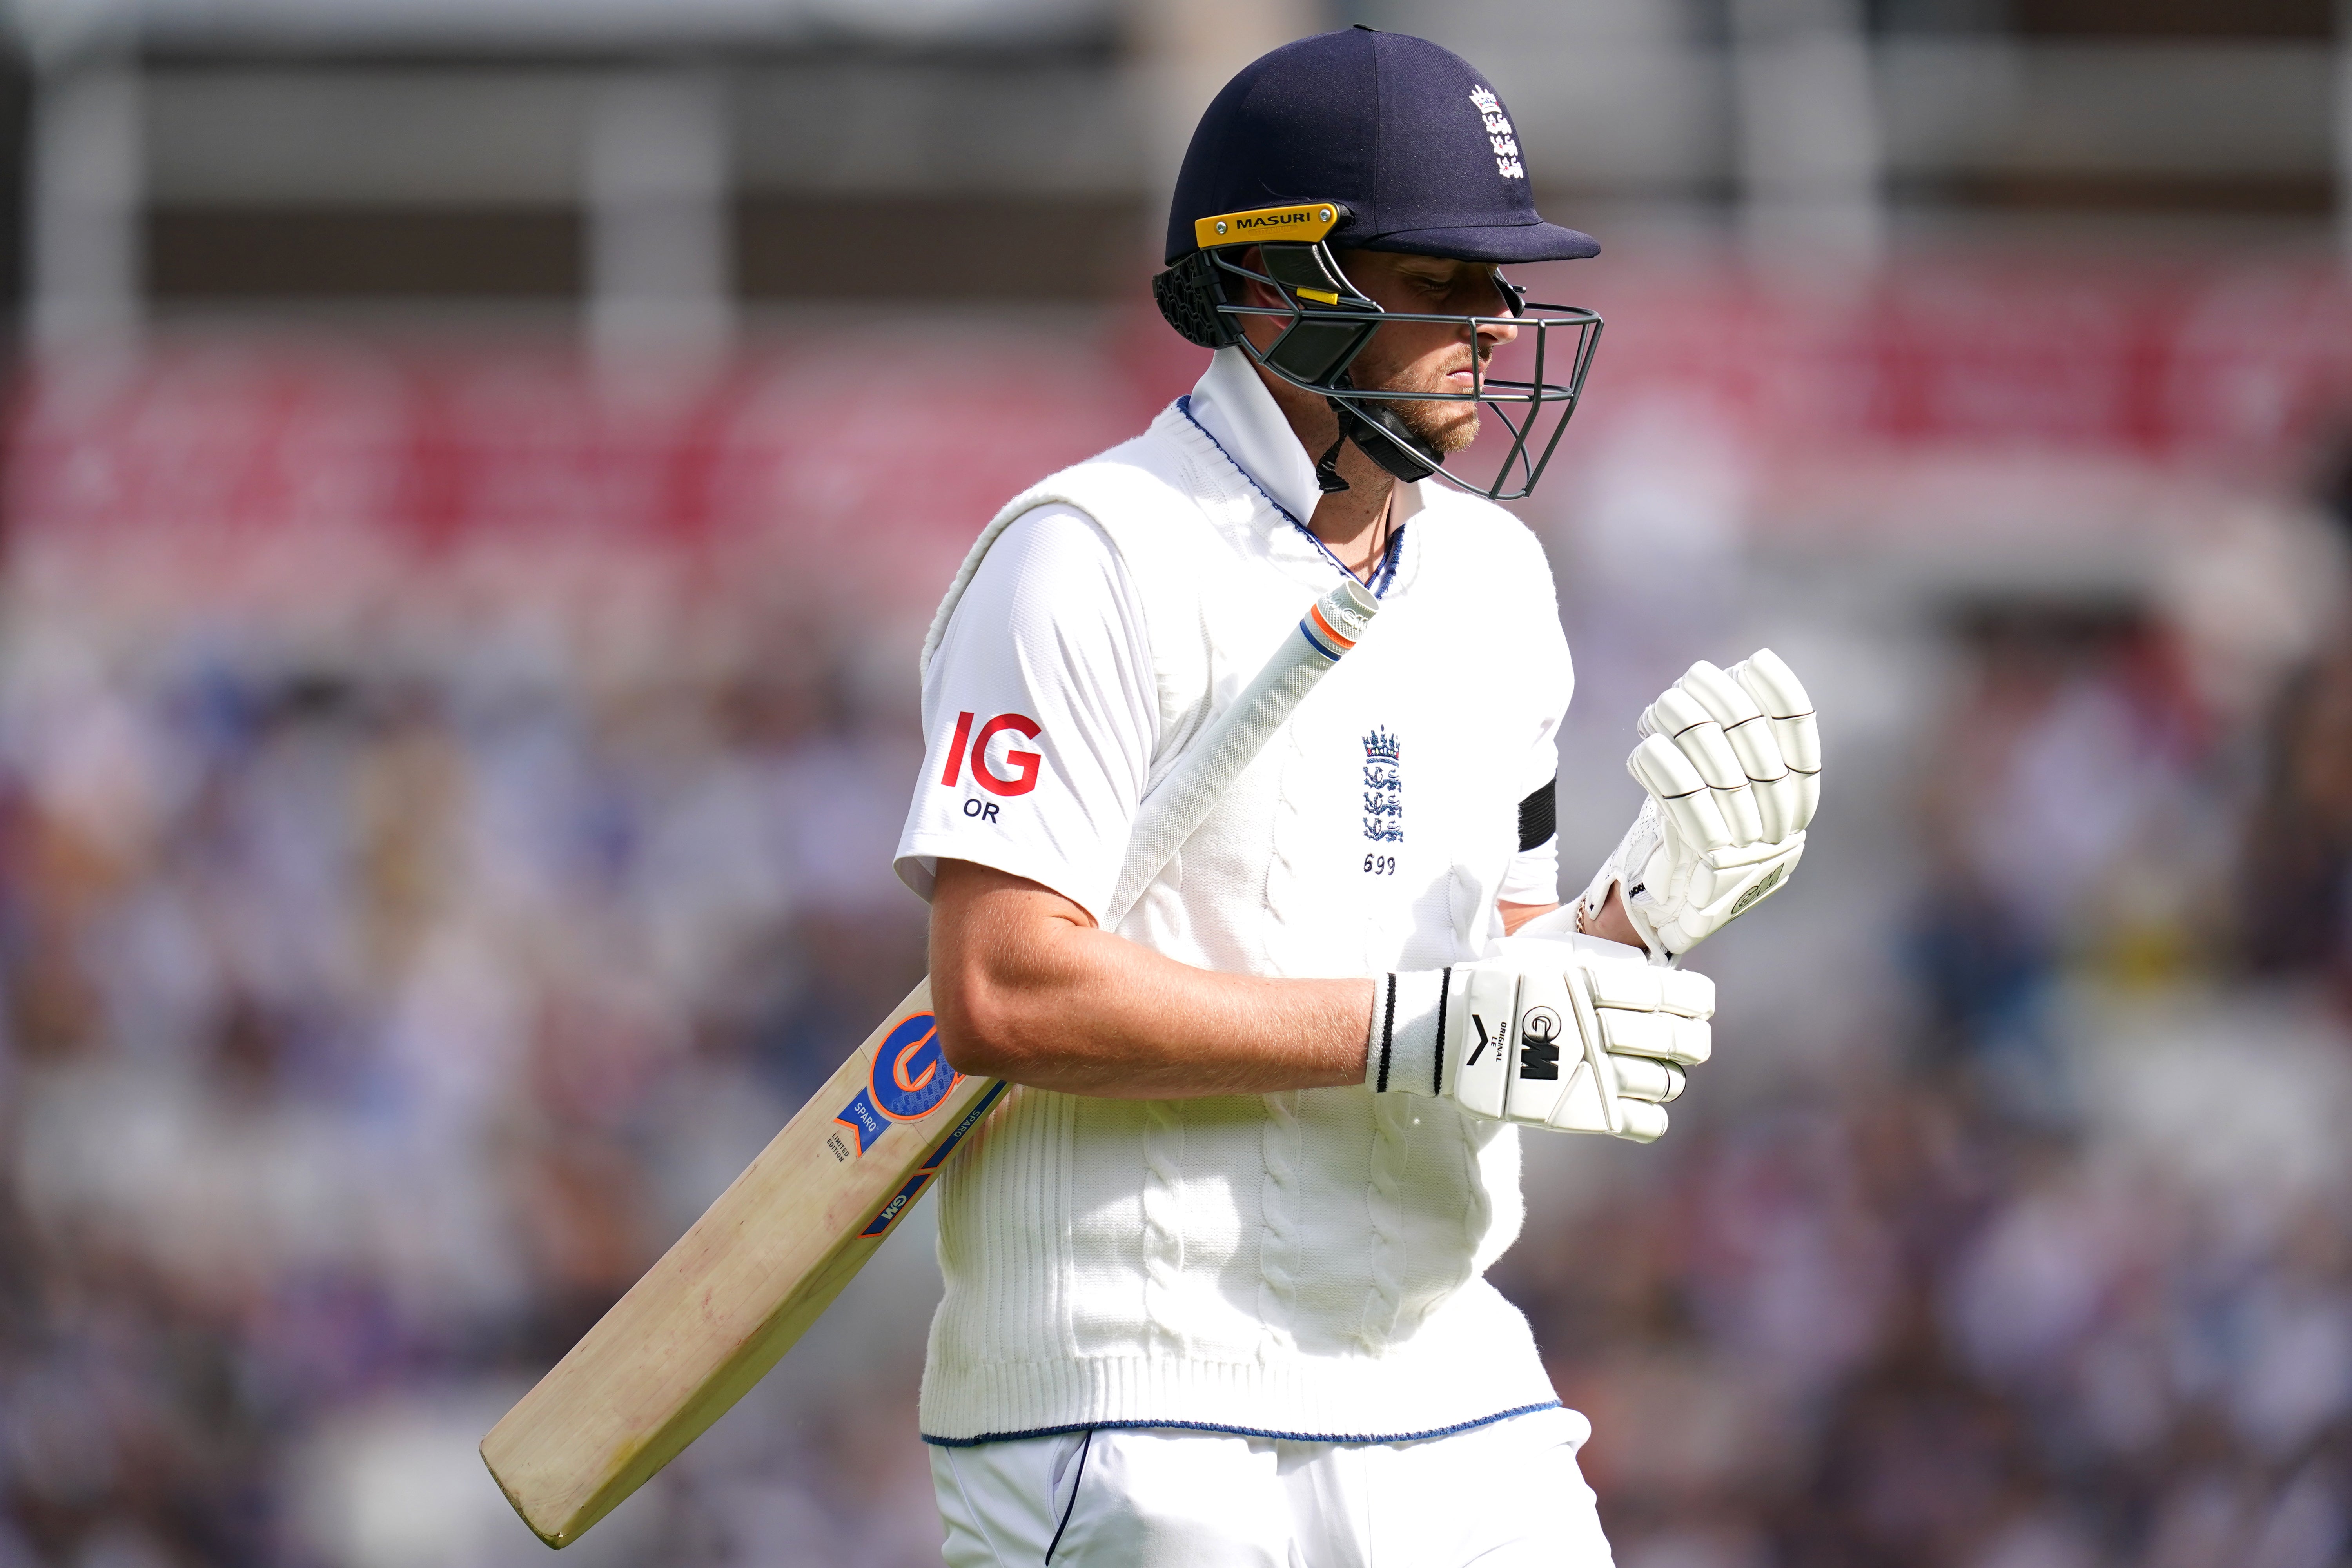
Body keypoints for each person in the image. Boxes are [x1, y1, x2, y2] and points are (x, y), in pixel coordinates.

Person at [893, 28, 1817, 1565]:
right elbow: (995, 988)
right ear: (1271, 288)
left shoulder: (1498, 579)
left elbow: (1494, 1000)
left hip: (1439, 1364)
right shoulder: (1089, 553)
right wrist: (1402, 1027)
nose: (1498, 327)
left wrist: (1639, 915)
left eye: (1499, 287)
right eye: (1443, 283)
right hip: (1138, 1384)